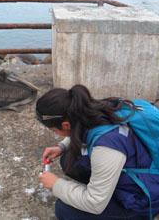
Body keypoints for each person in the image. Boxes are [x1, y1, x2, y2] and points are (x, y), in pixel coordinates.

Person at [36, 84, 159, 220]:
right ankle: (105, 185)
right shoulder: (93, 107)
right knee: (68, 159)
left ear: (66, 125)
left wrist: (56, 184)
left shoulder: (107, 147)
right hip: (134, 163)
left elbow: (95, 203)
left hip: (143, 198)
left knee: (65, 210)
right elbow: (79, 128)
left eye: (54, 130)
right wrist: (62, 147)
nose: (56, 133)